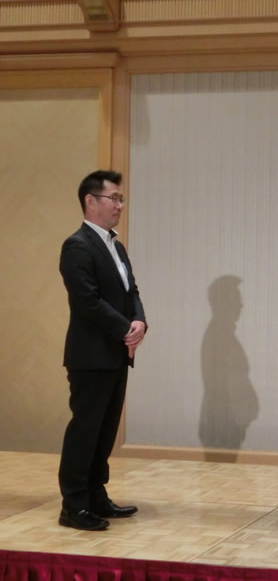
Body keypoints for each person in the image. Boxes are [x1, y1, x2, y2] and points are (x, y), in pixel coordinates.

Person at [57, 170, 147, 531]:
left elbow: (131, 292)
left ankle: (97, 496)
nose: (120, 205)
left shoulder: (116, 247)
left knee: (106, 430)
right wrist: (125, 328)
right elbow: (87, 301)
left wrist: (139, 321)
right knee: (85, 429)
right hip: (90, 355)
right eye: (114, 198)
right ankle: (74, 505)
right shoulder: (77, 245)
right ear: (91, 201)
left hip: (115, 354)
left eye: (121, 199)